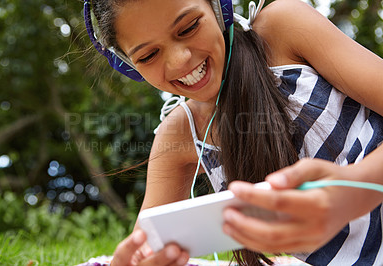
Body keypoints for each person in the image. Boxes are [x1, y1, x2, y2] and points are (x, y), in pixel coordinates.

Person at [83, 0, 383, 265]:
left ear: (217, 6)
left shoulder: (284, 28)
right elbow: (145, 249)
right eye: (148, 56)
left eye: (188, 28)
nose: (179, 60)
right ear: (127, 65)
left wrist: (356, 189)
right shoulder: (180, 134)